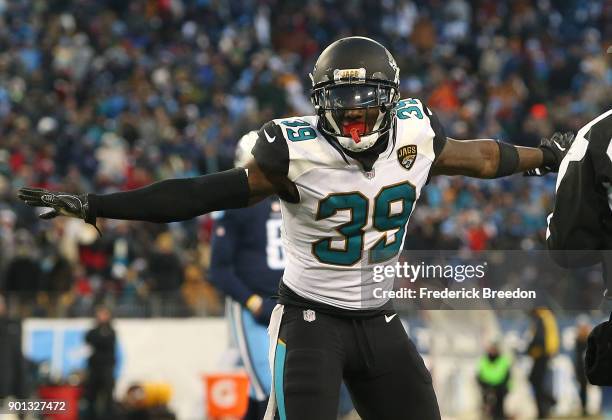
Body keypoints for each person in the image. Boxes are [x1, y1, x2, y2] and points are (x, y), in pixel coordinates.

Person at [18, 37, 573, 420]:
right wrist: (97, 205)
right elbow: (195, 194)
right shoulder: (294, 153)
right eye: (342, 106)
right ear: (319, 105)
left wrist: (545, 156)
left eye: (364, 107)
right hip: (309, 324)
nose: (353, 120)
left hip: (380, 320)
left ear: (390, 101)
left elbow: (479, 158)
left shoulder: (417, 137)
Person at [208, 131, 285, 419]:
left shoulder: (293, 198)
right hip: (252, 308)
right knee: (268, 389)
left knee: (285, 388)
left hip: (289, 302)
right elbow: (218, 269)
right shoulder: (235, 209)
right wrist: (252, 302)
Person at [84, 305, 117, 419]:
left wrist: (98, 339)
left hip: (106, 369)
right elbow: (88, 337)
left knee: (108, 397)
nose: (101, 316)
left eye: (104, 314)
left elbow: (105, 342)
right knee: (91, 397)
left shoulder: (111, 331)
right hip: (94, 369)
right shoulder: (94, 331)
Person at [527, 307, 559, 419]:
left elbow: (539, 338)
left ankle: (549, 403)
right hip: (546, 353)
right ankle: (544, 408)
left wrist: (529, 349)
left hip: (541, 354)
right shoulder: (548, 316)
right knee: (537, 381)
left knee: (535, 380)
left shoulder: (541, 318)